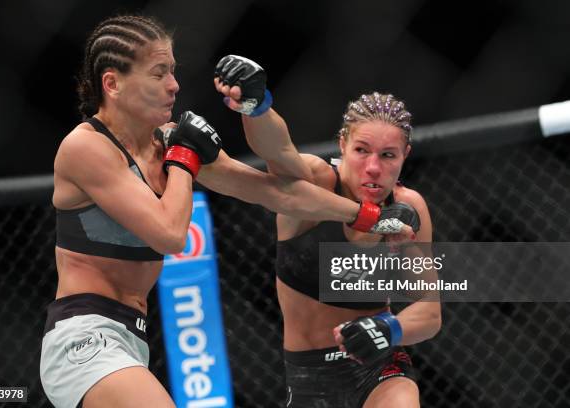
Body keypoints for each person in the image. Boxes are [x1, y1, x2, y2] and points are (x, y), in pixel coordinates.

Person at [40, 15, 421, 408]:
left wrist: (368, 216)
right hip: (84, 335)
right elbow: (170, 234)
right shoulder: (86, 149)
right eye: (158, 73)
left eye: (173, 71)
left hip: (132, 338)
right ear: (112, 83)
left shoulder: (165, 142)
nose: (174, 85)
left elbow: (274, 192)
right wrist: (185, 159)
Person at [214, 55, 441, 407]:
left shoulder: (410, 207)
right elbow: (279, 152)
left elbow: (428, 314)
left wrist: (387, 329)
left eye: (388, 155)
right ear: (342, 145)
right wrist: (256, 107)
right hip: (307, 379)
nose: (373, 168)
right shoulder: (317, 182)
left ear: (405, 155)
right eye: (362, 150)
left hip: (379, 369)